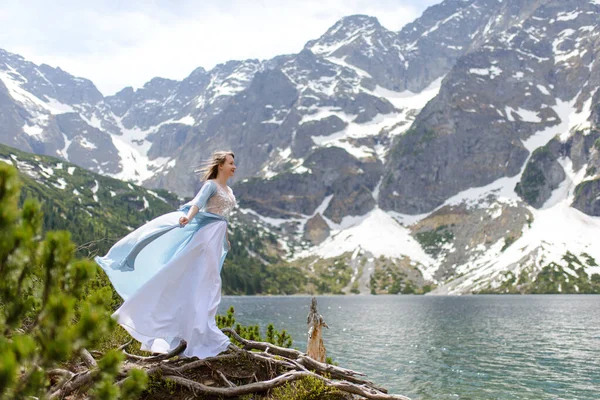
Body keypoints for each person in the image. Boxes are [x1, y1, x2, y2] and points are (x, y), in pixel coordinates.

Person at [95, 151, 237, 358]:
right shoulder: (211, 185)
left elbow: (222, 218)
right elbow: (197, 203)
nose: (234, 166)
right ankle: (185, 332)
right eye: (231, 163)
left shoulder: (229, 190)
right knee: (201, 282)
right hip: (205, 239)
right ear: (220, 165)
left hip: (216, 238)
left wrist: (225, 238)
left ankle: (198, 332)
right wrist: (188, 218)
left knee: (208, 283)